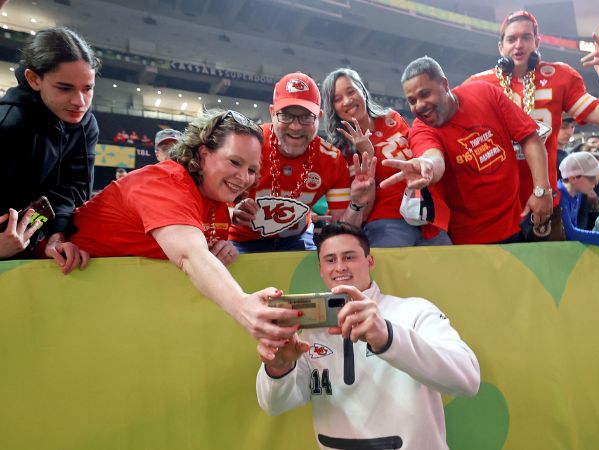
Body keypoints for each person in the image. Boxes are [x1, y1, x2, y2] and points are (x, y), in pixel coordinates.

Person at [69, 109, 302, 344]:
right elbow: (190, 255)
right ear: (202, 154)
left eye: (252, 170)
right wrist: (244, 306)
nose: (243, 178)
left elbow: (199, 256)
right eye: (234, 162)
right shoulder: (165, 182)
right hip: (65, 286)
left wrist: (222, 249)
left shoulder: (218, 203)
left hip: (121, 311)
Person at [256, 222, 479, 449]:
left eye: (349, 257)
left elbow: (468, 379)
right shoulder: (309, 333)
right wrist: (278, 368)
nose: (340, 267)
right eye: (330, 260)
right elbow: (275, 405)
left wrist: (387, 337)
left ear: (369, 261)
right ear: (321, 269)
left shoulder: (415, 312)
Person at [463, 10, 599, 242]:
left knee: (547, 275)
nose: (519, 45)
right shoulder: (477, 84)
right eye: (511, 39)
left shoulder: (561, 76)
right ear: (501, 47)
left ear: (537, 42)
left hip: (544, 200)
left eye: (526, 37)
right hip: (495, 205)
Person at [382, 56, 551, 244]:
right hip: (471, 239)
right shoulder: (421, 130)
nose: (420, 105)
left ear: (444, 84)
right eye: (412, 100)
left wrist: (542, 190)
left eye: (425, 94)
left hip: (521, 220)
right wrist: (426, 165)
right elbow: (433, 157)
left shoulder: (484, 92)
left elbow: (530, 138)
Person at [229, 72, 376, 252]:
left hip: (297, 238)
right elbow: (209, 201)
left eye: (306, 117)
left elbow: (343, 230)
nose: (296, 126)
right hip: (241, 240)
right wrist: (230, 213)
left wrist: (356, 204)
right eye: (286, 115)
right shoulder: (246, 143)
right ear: (272, 113)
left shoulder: (332, 160)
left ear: (319, 117)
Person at [0, 27, 98, 273]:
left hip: (29, 249)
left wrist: (54, 234)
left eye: (87, 88)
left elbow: (71, 189)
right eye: (65, 88)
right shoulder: (7, 124)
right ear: (34, 79)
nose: (80, 102)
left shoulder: (86, 124)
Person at [321, 68, 450, 247]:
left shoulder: (393, 118)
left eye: (351, 91)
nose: (348, 100)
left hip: (428, 216)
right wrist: (368, 154)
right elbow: (361, 212)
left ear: (362, 91)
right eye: (337, 99)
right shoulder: (341, 153)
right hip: (388, 224)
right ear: (332, 107)